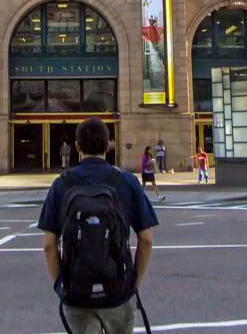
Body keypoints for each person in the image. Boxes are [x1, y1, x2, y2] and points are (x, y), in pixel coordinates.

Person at [38, 118, 158, 334]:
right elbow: (146, 240)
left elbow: (49, 245)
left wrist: (61, 285)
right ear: (108, 145)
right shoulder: (127, 181)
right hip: (118, 289)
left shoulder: (62, 183)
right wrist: (133, 285)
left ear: (77, 146)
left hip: (77, 291)